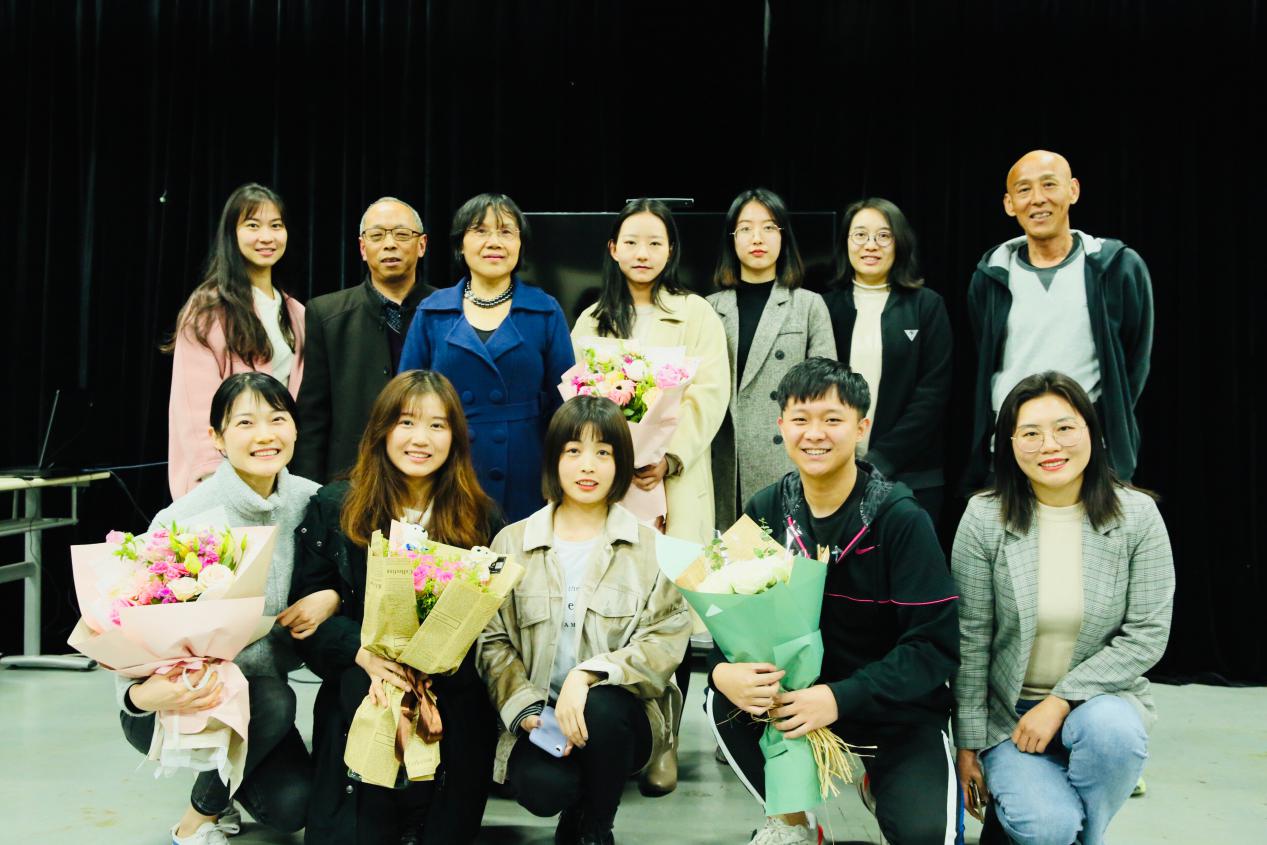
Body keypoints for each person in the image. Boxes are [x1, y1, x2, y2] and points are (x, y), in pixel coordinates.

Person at [709, 357, 961, 845]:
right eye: (800, 419)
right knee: (726, 697)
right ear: (781, 425)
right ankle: (794, 822)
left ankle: (878, 784)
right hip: (796, 703)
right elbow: (728, 616)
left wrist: (839, 697)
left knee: (925, 835)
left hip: (894, 710)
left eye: (832, 419)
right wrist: (722, 670)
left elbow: (933, 647)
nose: (814, 434)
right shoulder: (766, 509)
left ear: (862, 427)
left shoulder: (900, 519)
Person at [952, 371, 1174, 845]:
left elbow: (1147, 635)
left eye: (1065, 428)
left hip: (1101, 704)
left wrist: (1061, 700)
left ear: (1091, 431)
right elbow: (971, 638)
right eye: (1031, 433)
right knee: (1047, 828)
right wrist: (967, 742)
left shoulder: (1137, 516)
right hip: (1011, 716)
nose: (1050, 445)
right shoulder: (983, 518)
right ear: (1009, 445)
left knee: (1113, 732)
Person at [289, 370, 502, 844]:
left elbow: (494, 625)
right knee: (354, 690)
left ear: (455, 437)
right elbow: (304, 622)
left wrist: (437, 659)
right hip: (361, 686)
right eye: (406, 422)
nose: (420, 439)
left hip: (450, 691)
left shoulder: (480, 516)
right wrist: (361, 651)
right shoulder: (336, 506)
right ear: (382, 430)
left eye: (437, 425)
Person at [479, 396, 692, 845]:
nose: (587, 466)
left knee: (601, 708)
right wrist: (527, 710)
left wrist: (588, 675)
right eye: (573, 450)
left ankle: (596, 828)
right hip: (542, 718)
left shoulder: (650, 549)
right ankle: (577, 808)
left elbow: (664, 642)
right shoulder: (511, 543)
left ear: (621, 463)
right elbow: (491, 641)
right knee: (543, 788)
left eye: (603, 452)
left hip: (620, 717)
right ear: (553, 459)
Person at [118, 372, 319, 845]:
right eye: (245, 422)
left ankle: (225, 780)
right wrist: (137, 697)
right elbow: (129, 629)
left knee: (294, 807)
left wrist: (326, 599)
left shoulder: (314, 503)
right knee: (275, 699)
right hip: (177, 701)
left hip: (259, 708)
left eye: (277, 419)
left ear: (295, 428)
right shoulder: (182, 519)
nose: (265, 435)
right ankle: (196, 820)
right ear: (217, 438)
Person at [967, 150, 1154, 489]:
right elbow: (986, 353)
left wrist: (1104, 419)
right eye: (1024, 190)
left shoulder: (1116, 267)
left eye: (1049, 184)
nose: (1037, 199)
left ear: (1073, 190)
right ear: (1009, 204)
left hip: (1094, 447)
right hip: (1014, 447)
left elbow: (1133, 362)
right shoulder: (991, 276)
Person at [398, 193, 574, 523]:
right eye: (480, 231)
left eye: (506, 231)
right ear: (460, 244)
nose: (494, 241)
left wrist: (558, 475)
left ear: (520, 244)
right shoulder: (432, 312)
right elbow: (405, 402)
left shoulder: (545, 310)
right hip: (447, 466)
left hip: (527, 469)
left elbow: (565, 407)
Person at [571, 198, 729, 544]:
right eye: (631, 242)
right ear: (613, 249)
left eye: (655, 243)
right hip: (607, 474)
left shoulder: (697, 313)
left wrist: (668, 458)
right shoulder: (591, 320)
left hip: (674, 478)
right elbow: (577, 401)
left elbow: (710, 395)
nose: (642, 254)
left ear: (671, 251)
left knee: (676, 567)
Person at [707, 187, 836, 529]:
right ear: (732, 239)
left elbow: (826, 395)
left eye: (768, 227)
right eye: (745, 228)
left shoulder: (808, 305)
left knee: (785, 556)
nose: (757, 238)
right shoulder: (709, 308)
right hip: (724, 462)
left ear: (783, 236)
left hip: (786, 460)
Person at [166, 183, 305, 498]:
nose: (266, 237)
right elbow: (193, 406)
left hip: (279, 475)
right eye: (253, 225)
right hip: (223, 478)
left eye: (276, 226)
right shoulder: (207, 310)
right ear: (232, 233)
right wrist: (212, 479)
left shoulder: (297, 313)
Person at [823, 198, 952, 523]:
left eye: (883, 235)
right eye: (860, 235)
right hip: (835, 470)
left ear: (900, 243)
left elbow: (932, 394)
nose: (871, 245)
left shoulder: (927, 306)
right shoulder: (824, 307)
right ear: (845, 243)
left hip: (913, 475)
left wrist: (880, 459)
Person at [293, 196, 436, 482]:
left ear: (422, 245)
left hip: (430, 471)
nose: (389, 244)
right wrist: (308, 491)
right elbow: (313, 417)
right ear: (362, 247)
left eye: (401, 234)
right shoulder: (326, 314)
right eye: (377, 235)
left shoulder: (447, 310)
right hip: (352, 476)